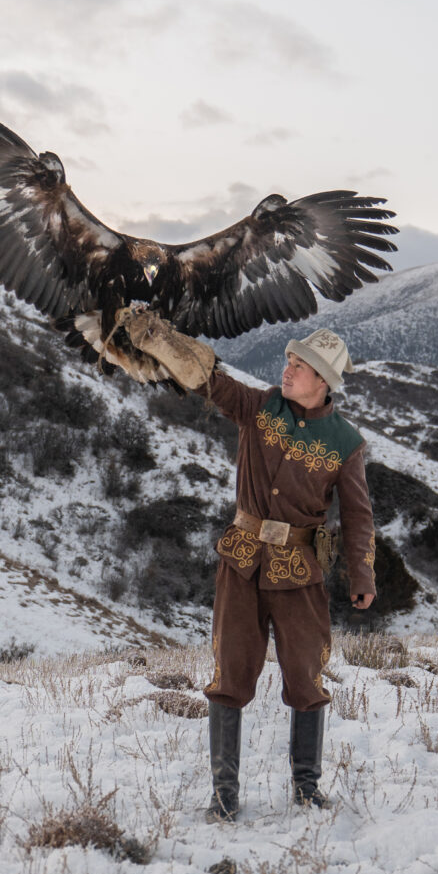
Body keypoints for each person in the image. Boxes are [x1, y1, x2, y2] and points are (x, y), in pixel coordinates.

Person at [123, 314, 377, 822]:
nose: (288, 369)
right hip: (240, 563)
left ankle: (307, 789)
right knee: (230, 675)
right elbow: (210, 382)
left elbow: (357, 515)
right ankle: (224, 795)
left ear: (323, 381)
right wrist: (166, 343)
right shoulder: (260, 407)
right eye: (289, 360)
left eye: (300, 365)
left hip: (299, 572)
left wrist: (363, 577)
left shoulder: (347, 444)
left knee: (306, 678)